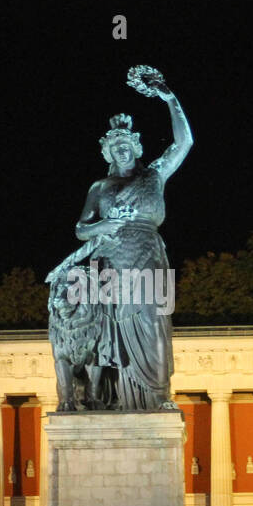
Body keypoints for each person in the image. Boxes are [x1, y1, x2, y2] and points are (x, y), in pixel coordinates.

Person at [45, 70, 192, 412]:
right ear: (108, 153)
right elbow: (81, 229)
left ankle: (156, 396)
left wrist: (169, 98)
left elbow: (184, 142)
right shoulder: (99, 188)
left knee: (154, 322)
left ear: (136, 147)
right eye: (116, 148)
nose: (122, 150)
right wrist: (104, 225)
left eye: (126, 145)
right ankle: (109, 398)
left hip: (149, 255)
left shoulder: (154, 174)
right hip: (110, 261)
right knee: (110, 334)